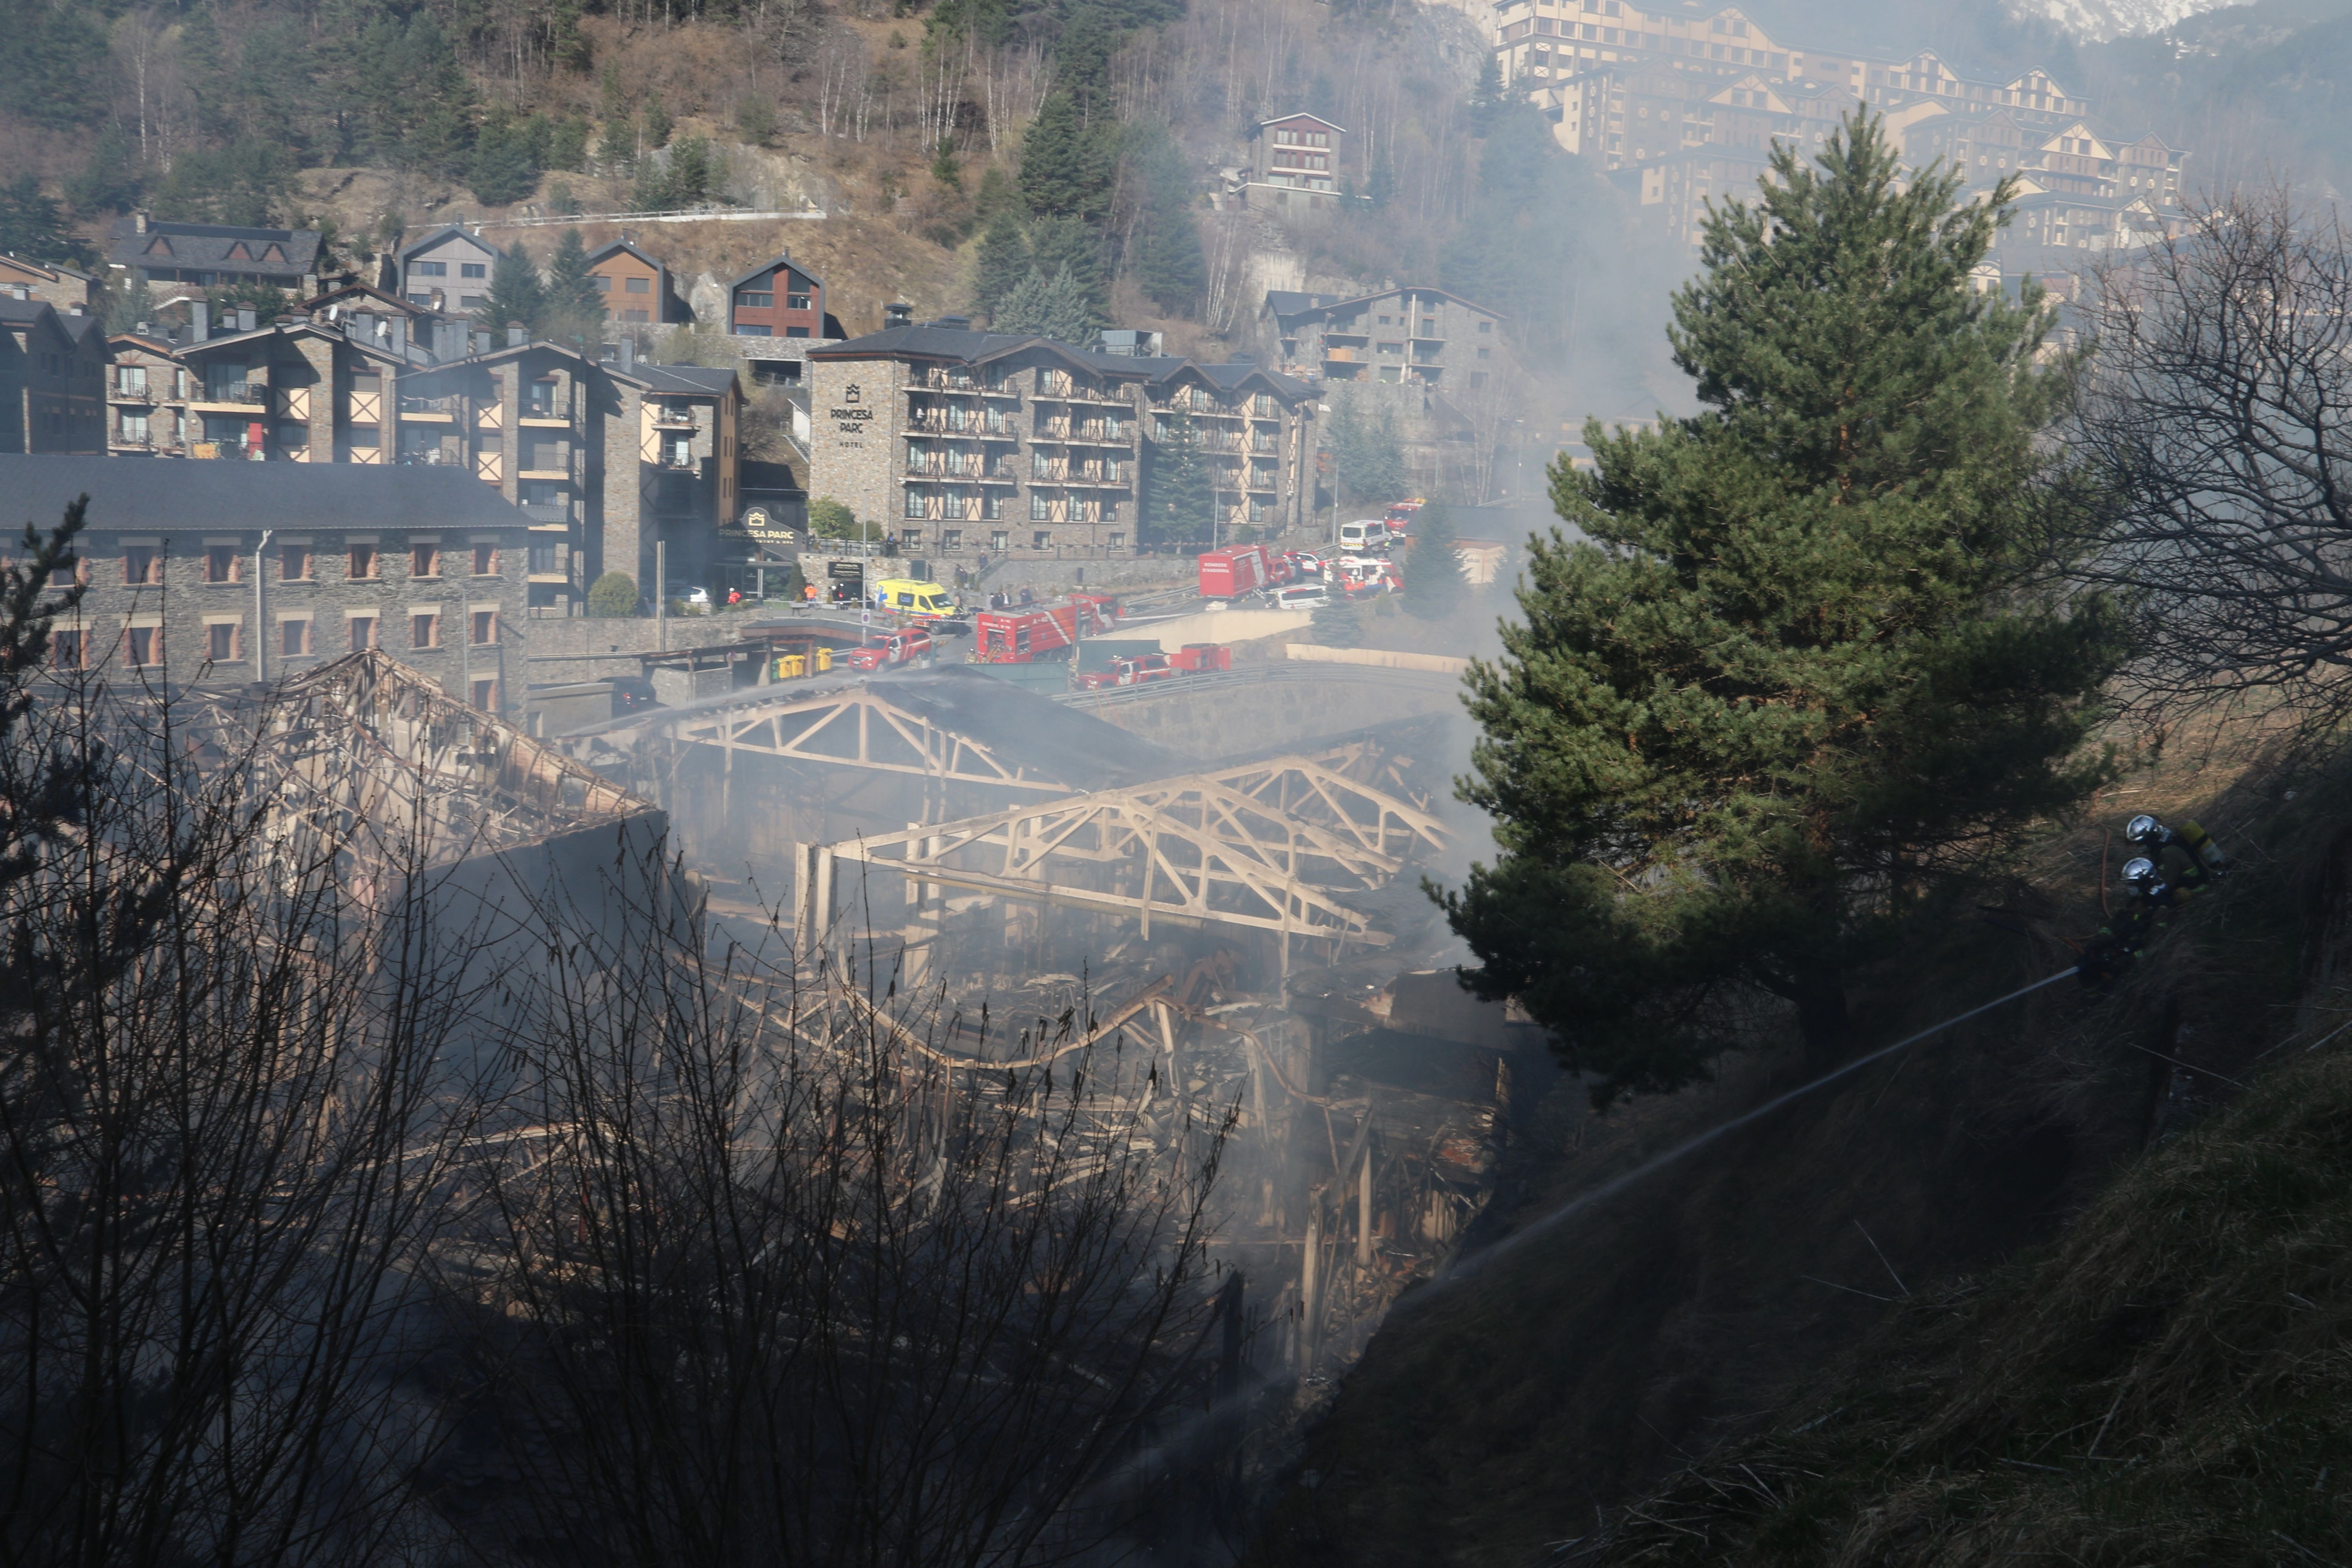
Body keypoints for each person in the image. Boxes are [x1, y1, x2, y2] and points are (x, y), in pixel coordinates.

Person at [2077, 814, 2227, 985]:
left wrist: (2142, 904)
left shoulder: (2169, 852)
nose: (2139, 848)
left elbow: (2164, 886)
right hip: (2178, 888)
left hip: (2195, 890)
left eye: (2140, 843)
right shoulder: (2162, 848)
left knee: (2159, 908)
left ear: (2151, 838)